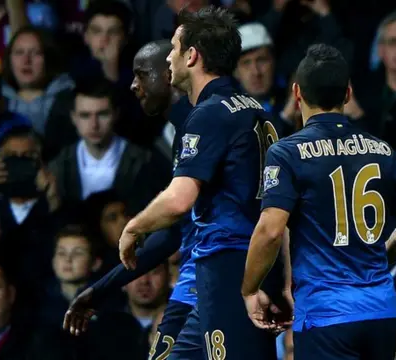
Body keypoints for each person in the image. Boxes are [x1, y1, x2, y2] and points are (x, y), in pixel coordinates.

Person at [118, 6, 288, 360]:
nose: (169, 57)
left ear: (192, 56)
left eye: (175, 48)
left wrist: (135, 227)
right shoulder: (257, 109)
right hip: (254, 263)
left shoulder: (209, 113)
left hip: (227, 267)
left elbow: (180, 200)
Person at [242, 44, 396, 360]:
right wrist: (381, 258)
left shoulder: (287, 153)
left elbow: (270, 231)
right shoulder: (383, 151)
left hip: (326, 314)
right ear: (348, 93)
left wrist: (250, 289)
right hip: (380, 312)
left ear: (297, 93)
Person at [62, 40, 197, 360]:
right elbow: (172, 234)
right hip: (198, 280)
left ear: (169, 73)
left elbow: (176, 211)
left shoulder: (201, 124)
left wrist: (134, 228)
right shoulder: (182, 131)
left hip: (217, 279)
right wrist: (99, 289)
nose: (134, 84)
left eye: (142, 74)